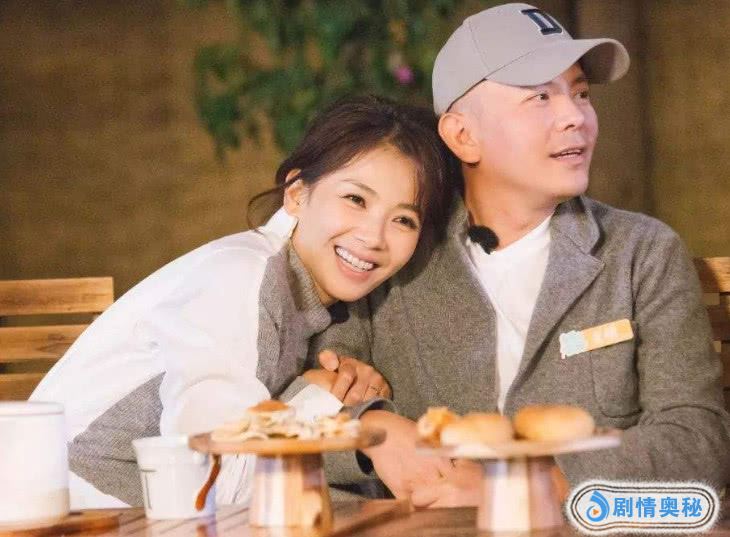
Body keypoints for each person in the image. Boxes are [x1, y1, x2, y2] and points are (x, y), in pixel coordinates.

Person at [311, 2, 730, 505]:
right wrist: (372, 431)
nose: (575, 117)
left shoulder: (643, 253)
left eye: (580, 93)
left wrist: (531, 486)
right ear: (463, 135)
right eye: (540, 97)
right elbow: (298, 405)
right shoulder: (393, 250)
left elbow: (697, 439)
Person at [29, 95, 454, 509]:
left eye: (403, 219)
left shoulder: (300, 295)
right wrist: (322, 399)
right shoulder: (241, 279)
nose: (374, 237)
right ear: (296, 194)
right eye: (355, 199)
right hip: (71, 507)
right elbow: (212, 477)